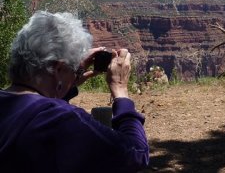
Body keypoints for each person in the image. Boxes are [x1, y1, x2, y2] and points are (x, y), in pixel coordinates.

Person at [0, 11, 149, 172]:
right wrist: (120, 91)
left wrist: (68, 82)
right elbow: (136, 154)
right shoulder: (60, 118)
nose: (75, 74)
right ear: (58, 69)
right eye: (73, 70)